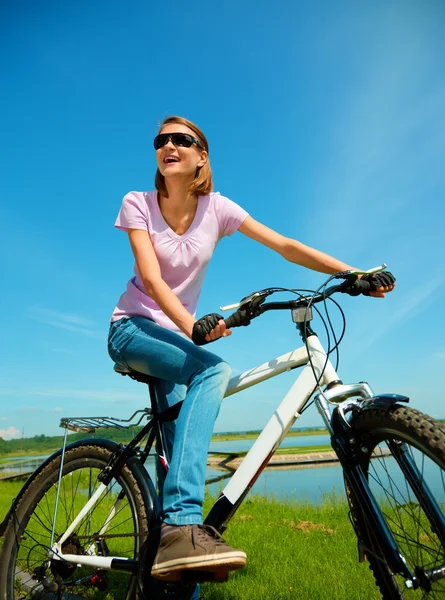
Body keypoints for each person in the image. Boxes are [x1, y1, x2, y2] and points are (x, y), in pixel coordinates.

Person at [108, 116, 395, 584]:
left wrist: (353, 275)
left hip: (179, 339)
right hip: (133, 329)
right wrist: (191, 327)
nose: (169, 146)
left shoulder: (216, 209)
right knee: (213, 373)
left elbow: (285, 245)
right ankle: (183, 523)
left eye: (183, 140)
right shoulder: (138, 203)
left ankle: (174, 568)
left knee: (173, 454)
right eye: (161, 141)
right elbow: (153, 278)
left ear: (202, 156)